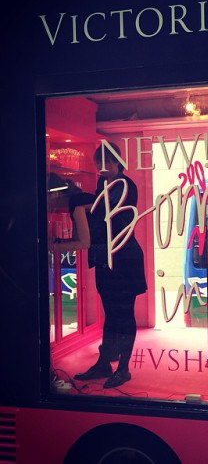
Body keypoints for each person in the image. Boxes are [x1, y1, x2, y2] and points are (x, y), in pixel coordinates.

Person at [49, 143, 147, 389]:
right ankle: (105, 363)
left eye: (104, 164)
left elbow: (105, 215)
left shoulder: (125, 185)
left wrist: (81, 202)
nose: (101, 169)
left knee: (123, 314)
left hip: (124, 259)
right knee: (111, 313)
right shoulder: (104, 184)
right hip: (107, 258)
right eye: (98, 165)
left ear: (116, 163)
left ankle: (123, 368)